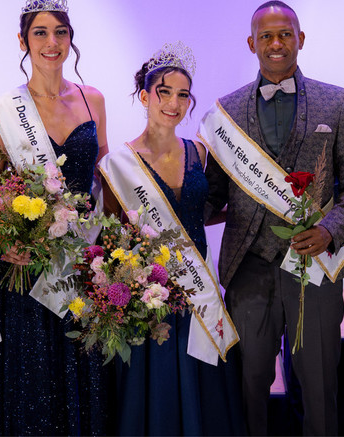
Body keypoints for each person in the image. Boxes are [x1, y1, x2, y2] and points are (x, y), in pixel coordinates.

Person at [200, 0, 344, 435]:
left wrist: (330, 229)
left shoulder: (336, 102)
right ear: (251, 43)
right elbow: (214, 194)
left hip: (313, 269)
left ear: (300, 39)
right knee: (249, 385)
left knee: (318, 387)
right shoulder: (227, 110)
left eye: (285, 34)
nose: (276, 44)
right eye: (266, 36)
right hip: (248, 270)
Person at [96, 42, 244, 435]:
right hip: (151, 299)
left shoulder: (200, 152)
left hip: (199, 291)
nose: (174, 104)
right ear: (145, 96)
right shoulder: (117, 165)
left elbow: (207, 210)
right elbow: (111, 237)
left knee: (205, 390)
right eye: (164, 93)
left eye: (183, 95)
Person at [0, 0, 110, 435]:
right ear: (23, 42)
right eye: (40, 33)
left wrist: (108, 251)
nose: (51, 42)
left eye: (60, 32)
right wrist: (9, 241)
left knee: (79, 369)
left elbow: (104, 179)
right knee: (33, 381)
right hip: (27, 272)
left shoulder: (92, 99)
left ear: (71, 37)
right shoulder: (3, 110)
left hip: (79, 262)